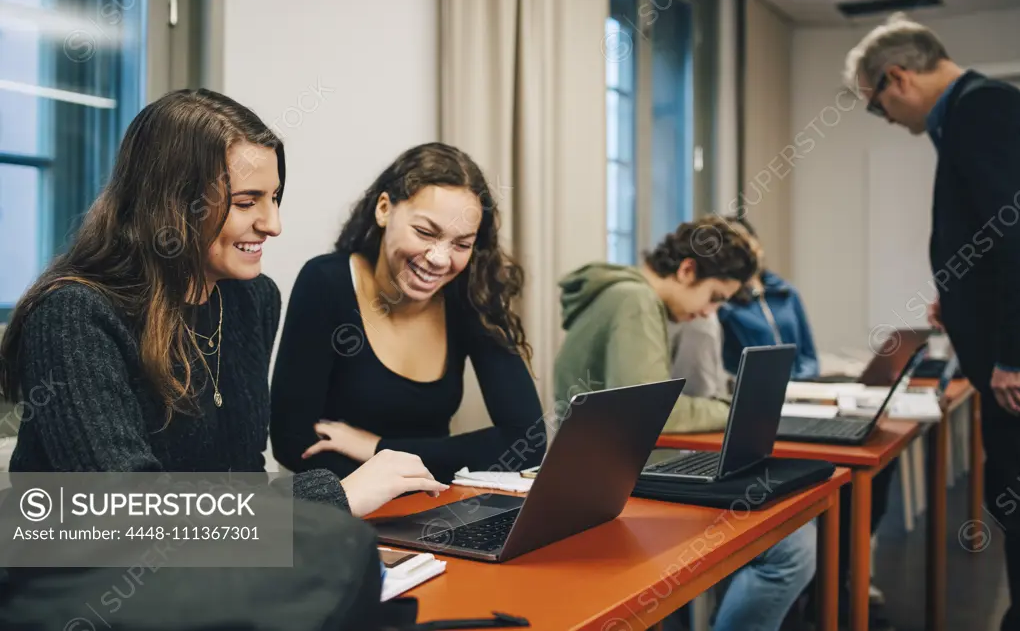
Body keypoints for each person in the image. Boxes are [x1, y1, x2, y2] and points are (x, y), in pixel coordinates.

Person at [0, 89, 446, 627]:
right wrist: (335, 497)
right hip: (82, 592)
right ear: (171, 203)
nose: (273, 224)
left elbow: (240, 477)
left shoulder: (252, 299)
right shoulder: (74, 314)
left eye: (275, 197)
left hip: (205, 574)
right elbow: (129, 515)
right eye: (245, 202)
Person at [847, 13, 1020, 631]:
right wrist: (960, 295)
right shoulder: (973, 113)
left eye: (876, 106)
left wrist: (1015, 354)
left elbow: (1018, 235)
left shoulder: (981, 111)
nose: (888, 121)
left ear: (897, 78)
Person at [552, 217, 816, 631]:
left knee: (785, 525)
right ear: (687, 269)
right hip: (606, 487)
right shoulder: (634, 301)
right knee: (792, 546)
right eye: (713, 297)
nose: (709, 312)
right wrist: (731, 409)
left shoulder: (627, 295)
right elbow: (652, 415)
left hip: (613, 473)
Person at [270, 143, 545, 484]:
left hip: (433, 505)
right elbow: (292, 441)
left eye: (461, 244)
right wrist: (425, 464)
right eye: (425, 233)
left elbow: (526, 442)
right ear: (384, 209)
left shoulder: (470, 294)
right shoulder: (326, 283)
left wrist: (378, 449)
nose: (440, 259)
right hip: (342, 508)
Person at [717, 217, 820, 381]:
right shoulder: (723, 305)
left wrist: (797, 381)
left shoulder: (787, 293)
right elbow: (725, 366)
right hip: (755, 390)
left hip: (801, 391)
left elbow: (809, 357)